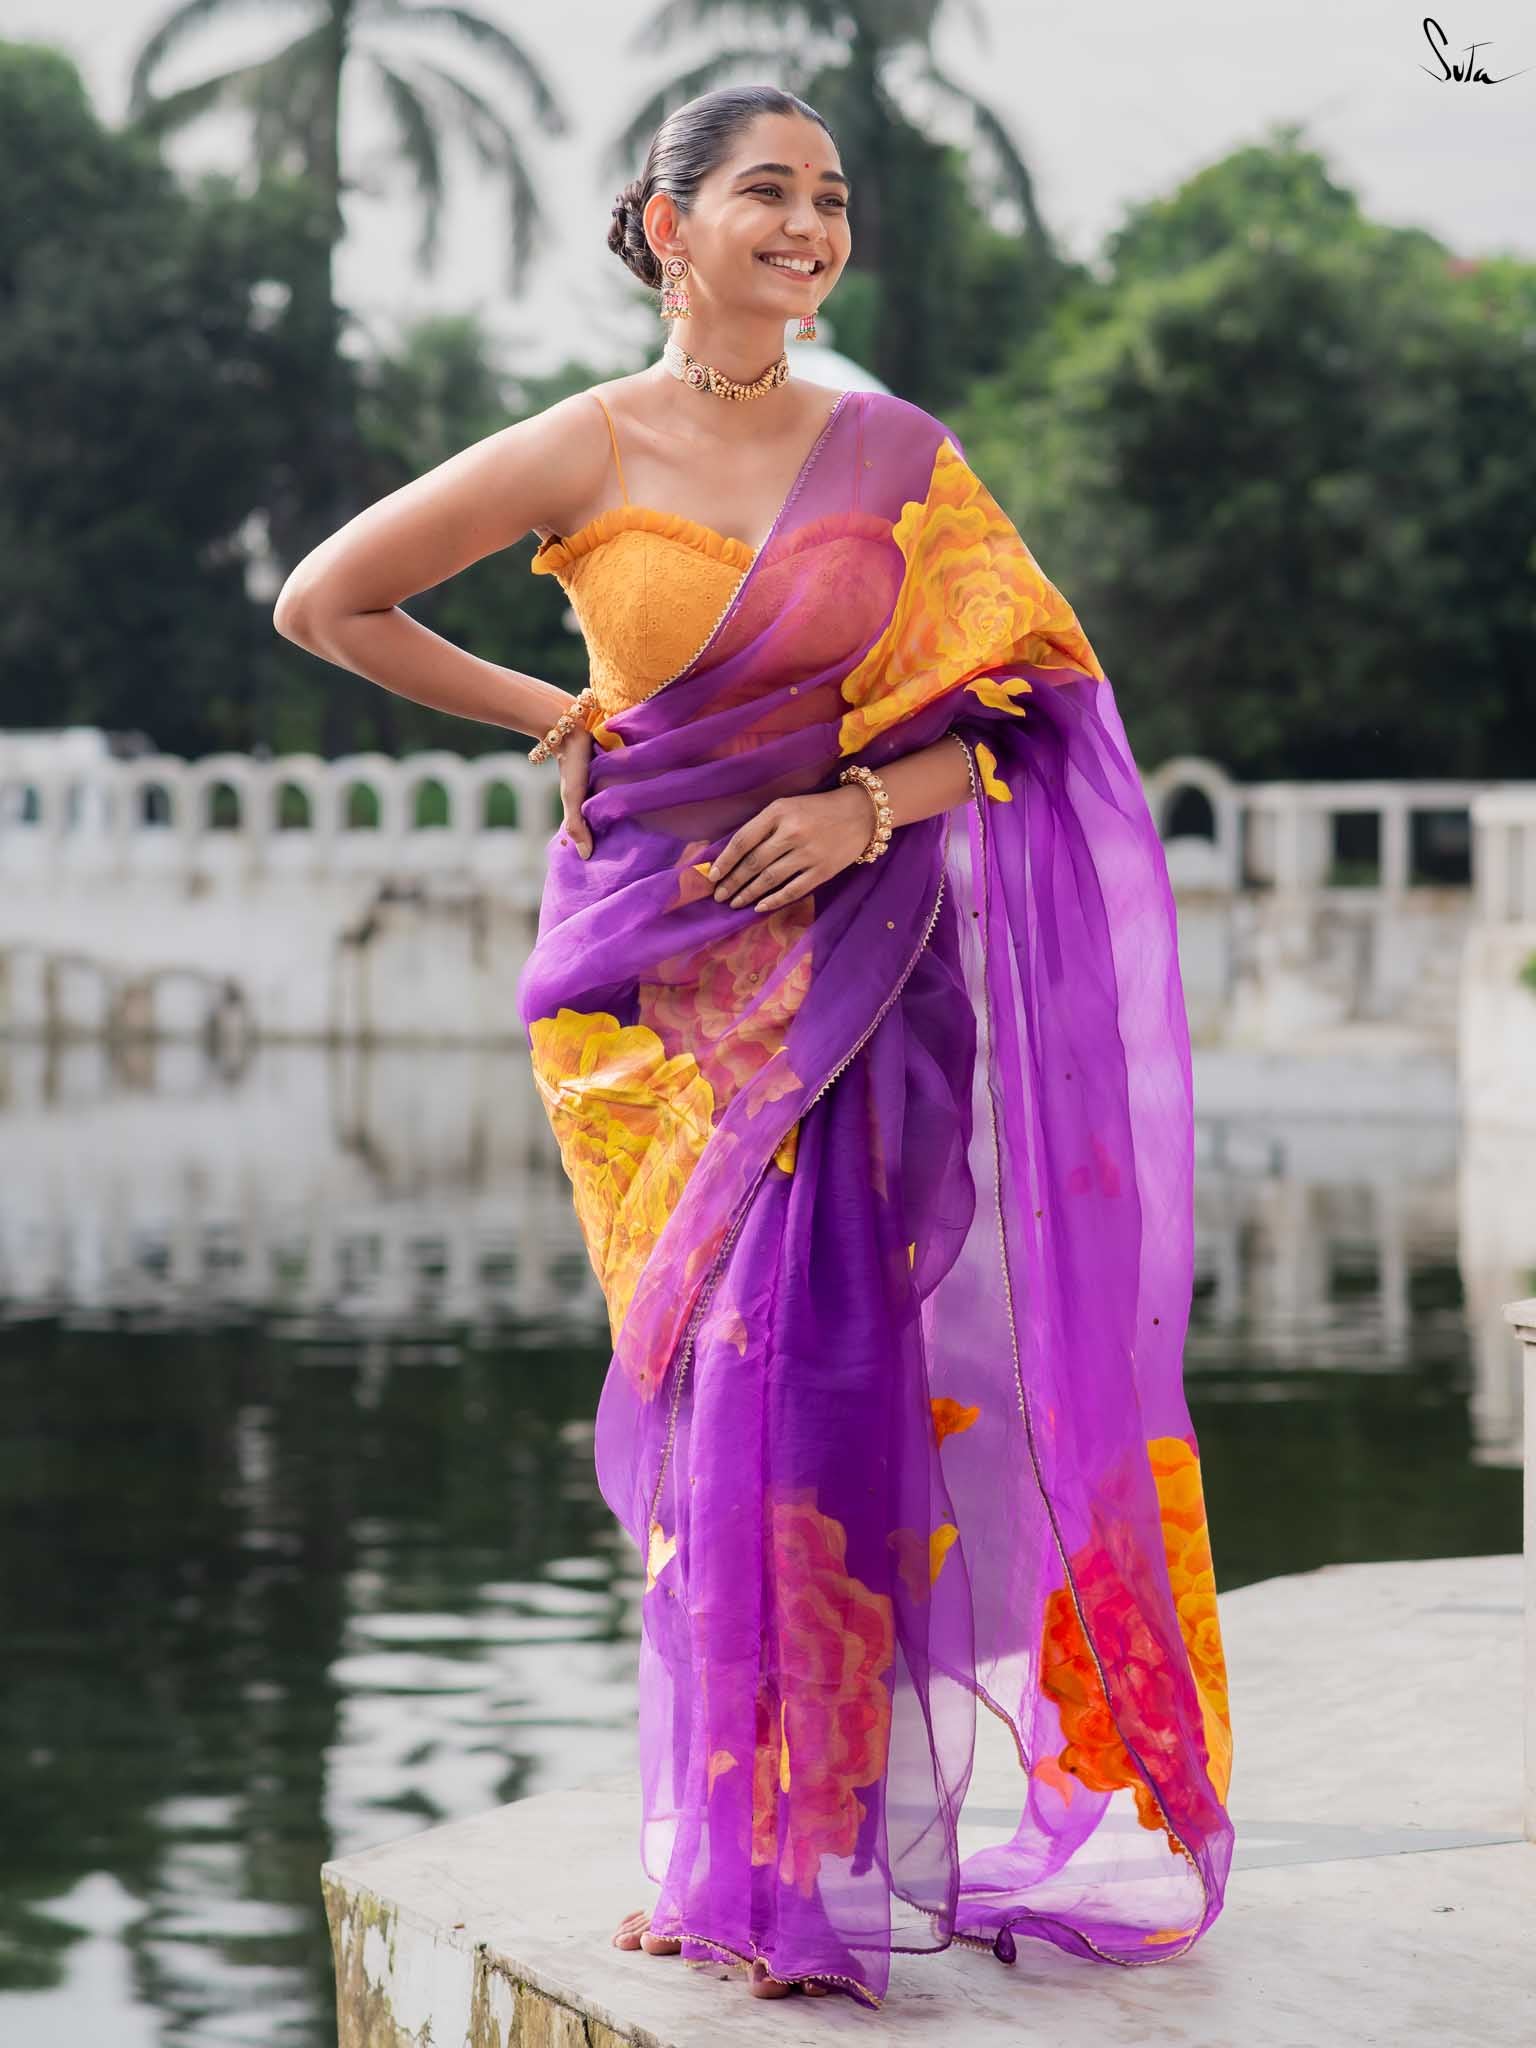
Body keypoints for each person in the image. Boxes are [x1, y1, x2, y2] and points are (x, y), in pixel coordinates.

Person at [274, 83, 1234, 2016]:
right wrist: (547, 709)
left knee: (840, 1373)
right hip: (653, 992)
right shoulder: (581, 445)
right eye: (765, 193)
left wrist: (864, 813)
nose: (806, 225)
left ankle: (797, 1852)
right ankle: (731, 1844)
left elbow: (1031, 727)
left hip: (869, 968)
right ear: (666, 223)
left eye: (831, 197)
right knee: (723, 1381)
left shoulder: (895, 455)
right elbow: (329, 599)